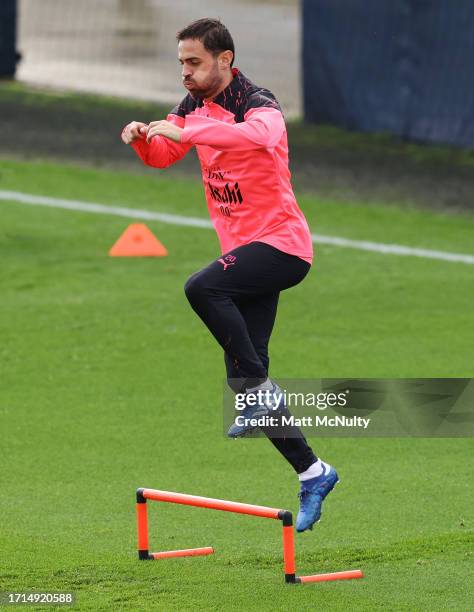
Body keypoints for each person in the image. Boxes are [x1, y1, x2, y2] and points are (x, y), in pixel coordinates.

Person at [121, 17, 337, 532]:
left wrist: (188, 127)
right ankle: (313, 471)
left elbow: (258, 138)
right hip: (245, 253)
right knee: (245, 381)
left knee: (203, 287)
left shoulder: (257, 102)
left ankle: (259, 391)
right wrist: (140, 139)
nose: (185, 74)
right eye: (181, 64)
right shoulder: (193, 106)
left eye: (194, 63)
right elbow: (163, 155)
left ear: (225, 60)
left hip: (281, 246)